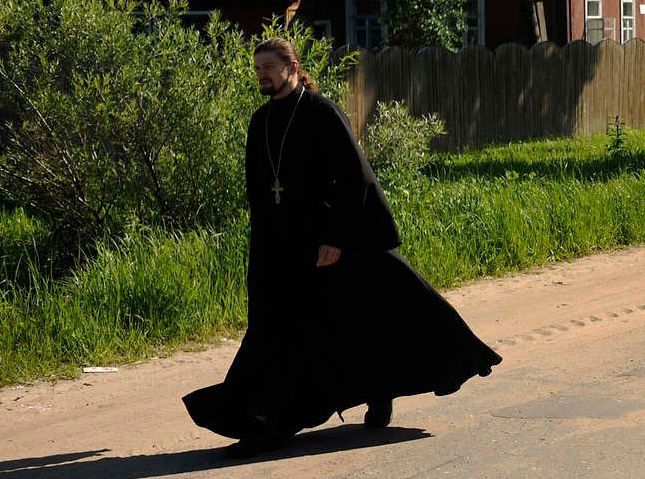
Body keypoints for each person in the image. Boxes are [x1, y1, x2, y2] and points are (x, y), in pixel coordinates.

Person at [185, 38, 502, 452]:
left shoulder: (322, 113)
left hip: (329, 243)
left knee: (364, 317)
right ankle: (262, 421)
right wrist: (263, 250)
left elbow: (355, 179)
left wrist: (336, 238)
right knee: (277, 331)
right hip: (281, 245)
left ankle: (366, 394)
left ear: (292, 67)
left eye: (268, 66)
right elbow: (258, 192)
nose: (261, 74)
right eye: (257, 67)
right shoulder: (260, 121)